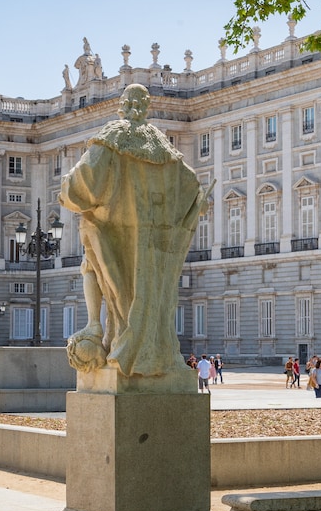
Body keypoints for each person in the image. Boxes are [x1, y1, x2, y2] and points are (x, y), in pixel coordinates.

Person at [60, 84, 212, 378]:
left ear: (122, 105)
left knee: (97, 272)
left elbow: (84, 181)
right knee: (149, 302)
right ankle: (151, 356)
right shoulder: (161, 144)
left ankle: (99, 329)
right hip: (153, 247)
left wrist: (67, 186)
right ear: (146, 106)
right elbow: (191, 186)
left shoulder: (113, 136)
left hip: (116, 237)